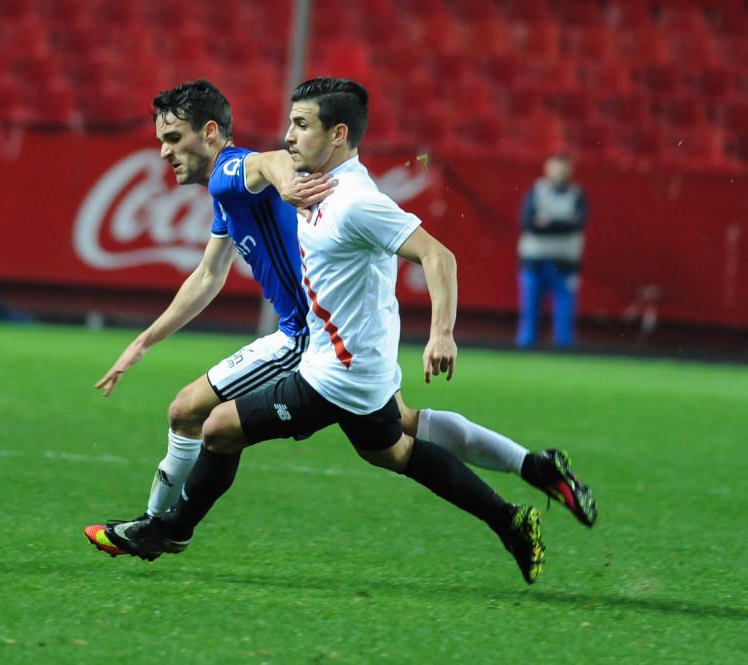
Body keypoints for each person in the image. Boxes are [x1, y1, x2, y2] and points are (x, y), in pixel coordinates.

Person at [100, 78, 598, 585]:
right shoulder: (320, 188)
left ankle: (166, 529)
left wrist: (442, 333)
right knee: (397, 444)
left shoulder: (333, 196)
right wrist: (144, 341)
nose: (288, 138)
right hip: (357, 355)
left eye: (300, 125)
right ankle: (527, 484)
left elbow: (436, 254)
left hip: (331, 365)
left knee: (214, 424)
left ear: (337, 134)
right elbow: (215, 269)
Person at [515, 153, 588, 349]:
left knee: (564, 318)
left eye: (564, 167)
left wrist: (547, 223)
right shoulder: (536, 190)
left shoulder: (577, 194)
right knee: (529, 314)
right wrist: (563, 222)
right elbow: (528, 222)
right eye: (556, 167)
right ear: (547, 168)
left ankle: (564, 357)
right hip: (534, 262)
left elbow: (578, 224)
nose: (560, 172)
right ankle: (523, 355)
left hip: (565, 265)